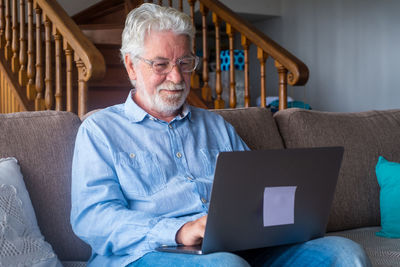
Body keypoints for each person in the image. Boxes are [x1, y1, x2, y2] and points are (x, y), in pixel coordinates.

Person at [71, 3, 371, 267]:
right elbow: (93, 219)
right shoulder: (100, 131)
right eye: (161, 64)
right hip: (146, 253)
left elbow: (257, 192)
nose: (176, 78)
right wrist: (178, 230)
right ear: (131, 66)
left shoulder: (216, 127)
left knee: (343, 253)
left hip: (236, 247)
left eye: (185, 63)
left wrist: (283, 216)